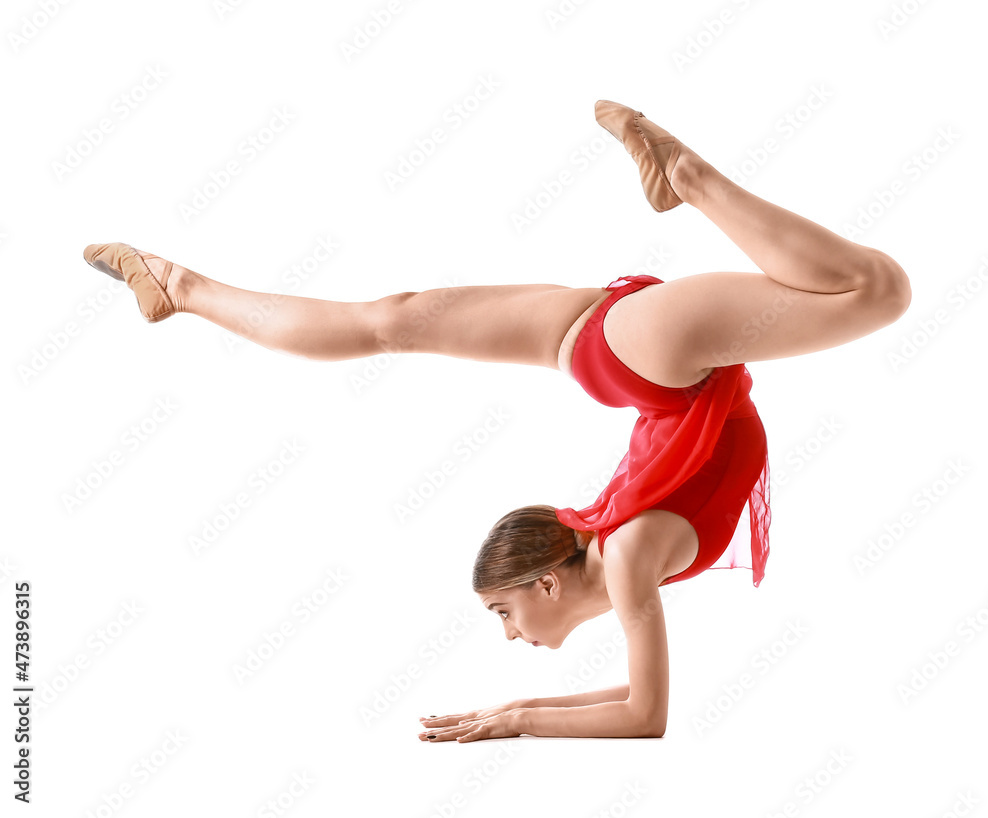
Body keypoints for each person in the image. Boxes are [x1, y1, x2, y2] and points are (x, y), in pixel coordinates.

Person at [82, 100, 911, 742]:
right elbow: (641, 711)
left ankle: (687, 180)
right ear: (549, 580)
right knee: (390, 319)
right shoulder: (624, 561)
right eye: (503, 616)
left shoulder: (624, 557)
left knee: (877, 290)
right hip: (616, 347)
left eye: (501, 616)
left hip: (650, 358)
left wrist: (518, 716)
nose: (509, 634)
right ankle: (177, 284)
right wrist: (516, 709)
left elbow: (638, 710)